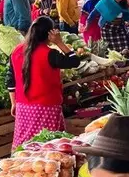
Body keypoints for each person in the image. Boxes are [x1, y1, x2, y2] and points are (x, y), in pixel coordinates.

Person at [7, 17, 80, 148]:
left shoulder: (16, 51)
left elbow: (10, 80)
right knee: (47, 146)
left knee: (25, 145)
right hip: (47, 107)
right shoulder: (50, 54)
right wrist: (59, 42)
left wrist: (13, 103)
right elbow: (74, 61)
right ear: (50, 34)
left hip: (23, 107)